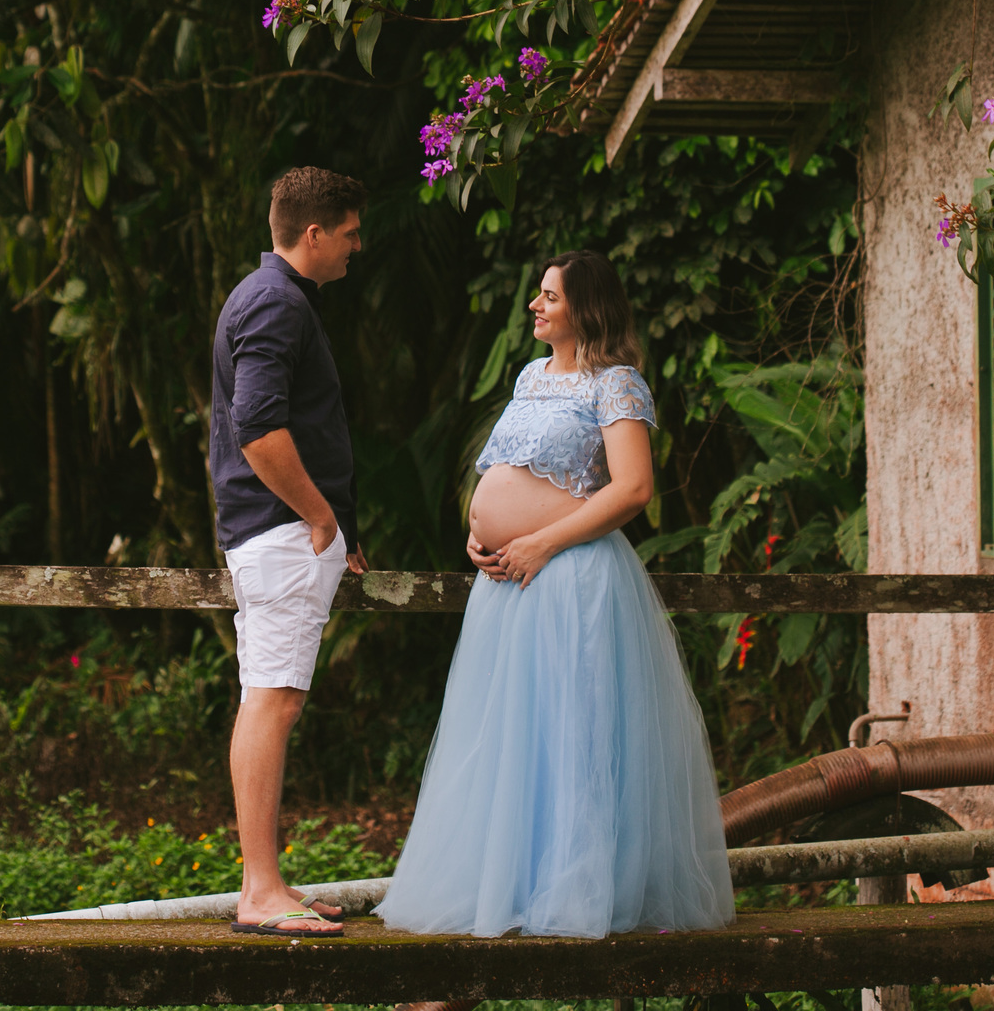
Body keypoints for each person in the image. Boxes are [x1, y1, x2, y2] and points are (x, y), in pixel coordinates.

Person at [375, 250, 734, 940]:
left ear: (585, 308)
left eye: (549, 296)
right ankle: (508, 886)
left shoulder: (617, 384)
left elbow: (632, 490)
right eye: (537, 295)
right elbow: (507, 472)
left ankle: (575, 895)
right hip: (507, 586)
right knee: (508, 735)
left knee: (572, 734)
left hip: (570, 580)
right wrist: (480, 537)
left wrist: (543, 541)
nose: (535, 306)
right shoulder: (529, 375)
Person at [209, 165, 369, 939]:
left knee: (271, 696)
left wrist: (338, 524)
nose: (355, 246)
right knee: (272, 699)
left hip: (279, 528)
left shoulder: (270, 296)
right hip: (279, 529)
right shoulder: (276, 302)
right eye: (349, 232)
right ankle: (260, 892)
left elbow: (286, 423)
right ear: (313, 232)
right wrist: (319, 517)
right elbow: (260, 428)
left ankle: (269, 884)